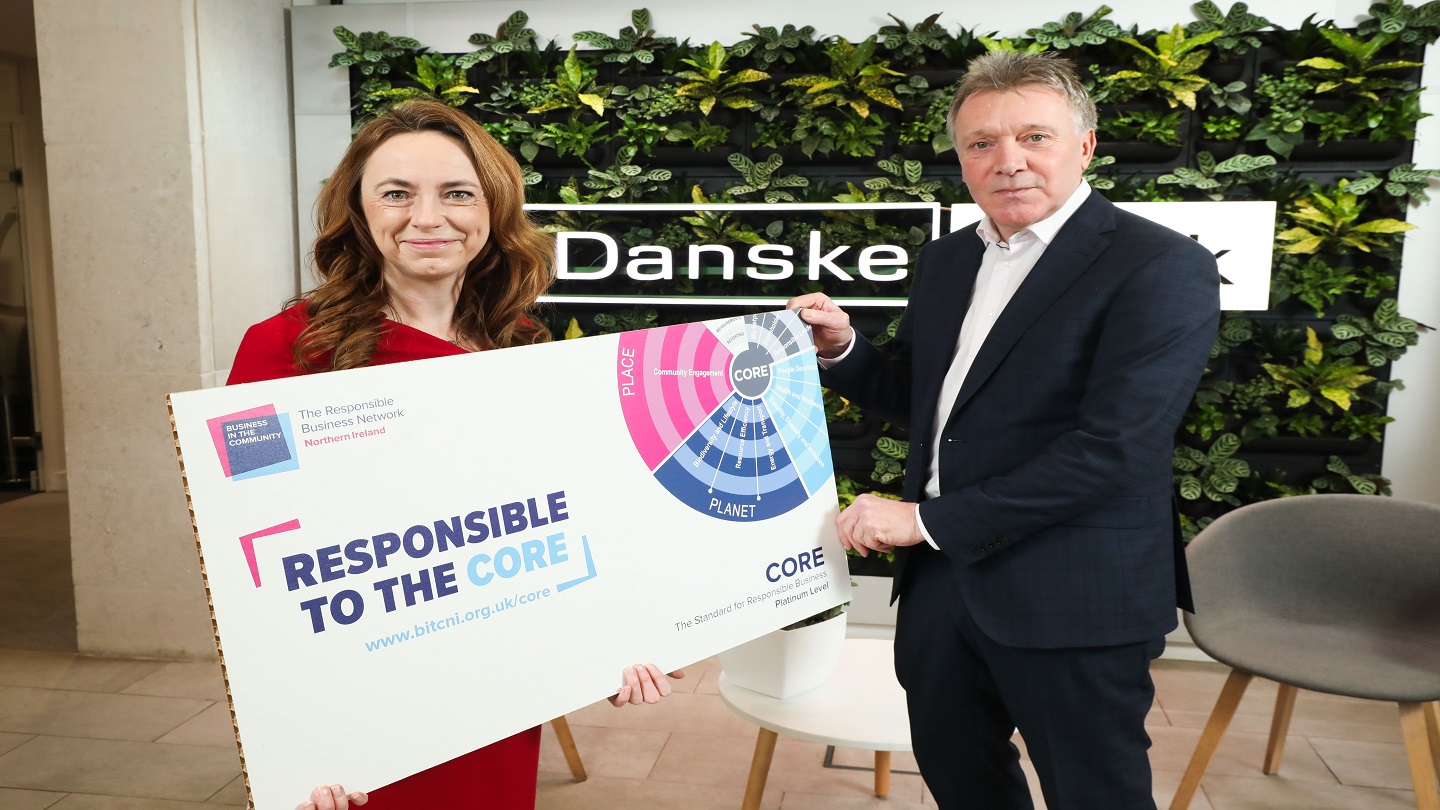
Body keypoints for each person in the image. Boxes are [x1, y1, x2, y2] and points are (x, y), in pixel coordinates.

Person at [788, 51, 1219, 809]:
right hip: (942, 586)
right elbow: (931, 400)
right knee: (963, 782)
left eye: (1034, 137)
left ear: (1085, 145)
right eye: (981, 142)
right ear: (961, 159)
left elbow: (1114, 450)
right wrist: (845, 349)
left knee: (1096, 795)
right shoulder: (950, 259)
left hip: (1075, 590)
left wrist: (924, 521)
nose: (1008, 160)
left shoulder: (1160, 264)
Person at [225, 98, 682, 810]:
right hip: (360, 698)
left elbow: (555, 521)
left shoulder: (518, 343)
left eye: (457, 193)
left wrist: (611, 638)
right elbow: (251, 546)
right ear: (359, 210)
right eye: (396, 193)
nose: (427, 217)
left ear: (492, 208)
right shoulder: (287, 349)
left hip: (498, 686)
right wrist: (296, 728)